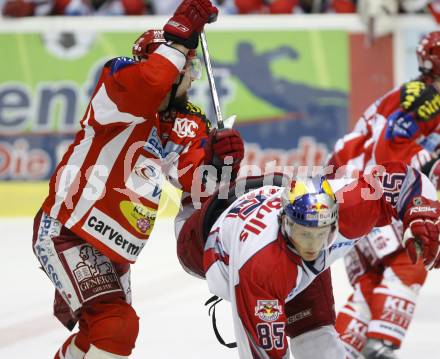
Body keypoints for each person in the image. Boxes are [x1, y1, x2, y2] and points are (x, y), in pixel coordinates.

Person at [30, 1, 229, 358]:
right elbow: (148, 85)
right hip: (70, 232)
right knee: (115, 327)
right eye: (187, 65)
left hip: (115, 249)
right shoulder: (118, 82)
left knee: (100, 333)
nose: (193, 76)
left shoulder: (183, 121)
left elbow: (195, 181)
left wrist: (223, 162)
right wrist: (177, 38)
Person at [176, 161, 440, 359]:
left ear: (336, 222)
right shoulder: (260, 268)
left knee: (319, 341)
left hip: (270, 221)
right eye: (304, 234)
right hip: (202, 246)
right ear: (284, 223)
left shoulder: (349, 208)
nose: (312, 247)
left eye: (321, 234)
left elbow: (405, 179)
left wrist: (422, 211)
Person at [327, 30, 440, 359]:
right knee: (415, 252)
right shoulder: (424, 99)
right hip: (371, 194)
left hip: (350, 193)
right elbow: (388, 153)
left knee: (370, 285)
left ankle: (343, 352)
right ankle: (381, 347)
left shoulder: (415, 94)